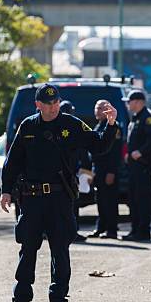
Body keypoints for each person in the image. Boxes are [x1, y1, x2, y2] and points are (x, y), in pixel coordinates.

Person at [0, 83, 118, 302]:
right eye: (48, 104)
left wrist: (111, 123)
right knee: (27, 250)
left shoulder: (71, 125)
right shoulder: (28, 126)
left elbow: (100, 145)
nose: (53, 107)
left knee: (60, 250)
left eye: (56, 103)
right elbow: (12, 162)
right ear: (38, 105)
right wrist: (6, 191)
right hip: (31, 199)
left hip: (59, 199)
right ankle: (20, 301)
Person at [122, 89, 151, 242]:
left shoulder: (148, 118)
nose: (128, 104)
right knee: (133, 199)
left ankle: (143, 231)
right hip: (134, 166)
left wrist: (140, 152)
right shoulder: (136, 118)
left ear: (138, 102)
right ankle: (135, 229)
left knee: (142, 199)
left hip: (143, 166)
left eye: (129, 101)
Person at [87, 99, 122, 239]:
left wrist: (112, 172)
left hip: (108, 170)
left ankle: (112, 230)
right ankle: (101, 227)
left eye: (101, 108)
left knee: (110, 201)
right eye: (96, 108)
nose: (97, 111)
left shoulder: (113, 126)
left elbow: (115, 152)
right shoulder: (98, 126)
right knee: (101, 200)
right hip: (98, 170)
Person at [59, 100, 91, 242]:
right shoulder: (75, 126)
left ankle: (66, 232)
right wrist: (86, 170)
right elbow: (83, 151)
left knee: (65, 205)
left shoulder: (53, 125)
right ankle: (71, 232)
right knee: (71, 205)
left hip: (62, 175)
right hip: (69, 174)